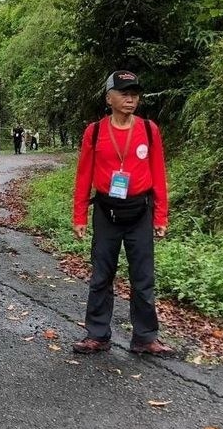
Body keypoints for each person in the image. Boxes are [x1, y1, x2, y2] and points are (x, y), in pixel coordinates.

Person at [71, 70, 173, 356]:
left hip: (140, 211)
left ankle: (144, 337)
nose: (130, 99)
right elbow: (83, 175)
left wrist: (161, 216)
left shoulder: (149, 130)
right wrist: (79, 215)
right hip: (106, 212)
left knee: (143, 277)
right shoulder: (96, 131)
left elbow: (159, 174)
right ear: (109, 98)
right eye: (124, 93)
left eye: (134, 94)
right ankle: (97, 334)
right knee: (101, 275)